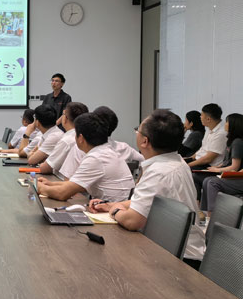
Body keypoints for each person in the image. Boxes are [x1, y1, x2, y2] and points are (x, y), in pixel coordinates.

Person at [88, 109, 205, 267]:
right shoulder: (175, 161)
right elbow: (149, 202)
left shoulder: (158, 172)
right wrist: (112, 205)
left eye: (138, 130)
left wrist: (115, 211)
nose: (136, 133)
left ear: (144, 141)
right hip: (179, 250)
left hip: (179, 260)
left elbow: (132, 221)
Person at [37, 113, 134, 201]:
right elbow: (76, 184)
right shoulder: (107, 151)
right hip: (112, 206)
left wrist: (39, 187)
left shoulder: (96, 158)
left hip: (109, 211)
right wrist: (50, 184)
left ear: (80, 138)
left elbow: (62, 194)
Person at [198, 113, 243, 214]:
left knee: (212, 182)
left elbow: (235, 167)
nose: (225, 124)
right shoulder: (232, 141)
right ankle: (208, 214)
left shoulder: (237, 142)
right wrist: (217, 167)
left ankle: (213, 215)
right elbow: (227, 162)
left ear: (233, 125)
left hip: (238, 178)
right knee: (207, 180)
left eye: (227, 122)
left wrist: (217, 170)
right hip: (234, 175)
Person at [39, 102, 88, 175]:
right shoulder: (86, 136)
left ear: (65, 118)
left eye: (63, 114)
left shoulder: (66, 140)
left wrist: (43, 163)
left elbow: (45, 168)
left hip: (61, 179)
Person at [187, 103, 227, 168]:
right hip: (200, 162)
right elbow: (202, 150)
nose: (200, 117)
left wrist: (187, 165)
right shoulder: (209, 128)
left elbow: (208, 159)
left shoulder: (221, 133)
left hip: (209, 166)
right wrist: (189, 159)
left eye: (201, 115)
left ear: (208, 119)